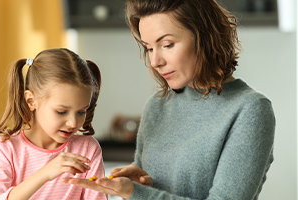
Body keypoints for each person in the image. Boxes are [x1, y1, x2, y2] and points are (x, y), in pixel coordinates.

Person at [64, 0, 275, 199]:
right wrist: (139, 183)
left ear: (205, 36)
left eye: (167, 44)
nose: (155, 61)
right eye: (149, 48)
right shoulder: (157, 105)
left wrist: (136, 193)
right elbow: (148, 188)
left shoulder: (250, 110)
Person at [0, 48, 107, 200]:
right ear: (31, 101)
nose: (73, 123)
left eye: (81, 112)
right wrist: (46, 173)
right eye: (61, 111)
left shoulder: (87, 149)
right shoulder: (5, 147)